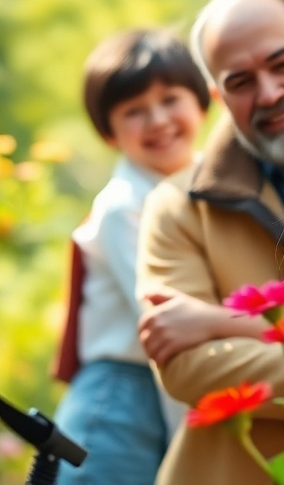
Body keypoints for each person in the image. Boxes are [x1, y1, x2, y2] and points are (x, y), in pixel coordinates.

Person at [135, 0, 284, 485]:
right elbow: (187, 364)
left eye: (283, 64)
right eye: (240, 82)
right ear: (217, 96)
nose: (271, 94)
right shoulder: (175, 206)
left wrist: (220, 321)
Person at [50, 29, 212, 485]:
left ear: (201, 101)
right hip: (120, 399)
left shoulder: (206, 182)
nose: (158, 120)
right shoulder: (125, 205)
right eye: (134, 111)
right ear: (109, 132)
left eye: (169, 99)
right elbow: (165, 322)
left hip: (166, 388)